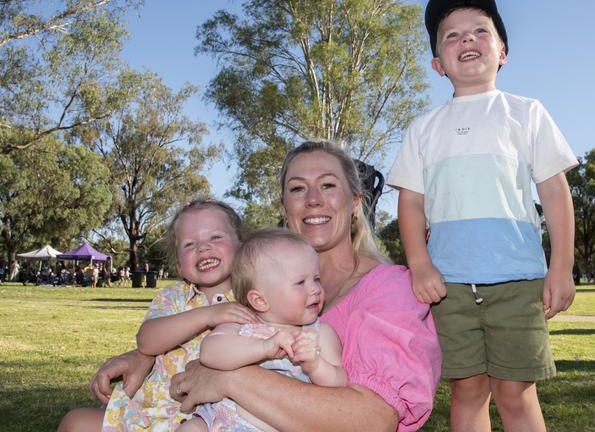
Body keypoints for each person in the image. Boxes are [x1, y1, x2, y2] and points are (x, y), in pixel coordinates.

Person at [78, 140, 441, 432]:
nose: (313, 199)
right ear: (286, 207)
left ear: (356, 203)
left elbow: (373, 421)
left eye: (328, 185)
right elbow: (207, 308)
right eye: (298, 189)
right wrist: (145, 355)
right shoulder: (262, 282)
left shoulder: (388, 290)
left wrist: (230, 378)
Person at [387, 0, 578, 432]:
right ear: (438, 64)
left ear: (502, 52)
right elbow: (411, 204)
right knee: (468, 390)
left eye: (479, 30)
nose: (466, 39)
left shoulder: (526, 113)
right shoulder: (424, 128)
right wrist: (419, 265)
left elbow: (554, 192)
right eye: (451, 35)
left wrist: (562, 266)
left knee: (515, 392)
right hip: (448, 285)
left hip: (518, 282)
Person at [58, 199, 259, 431]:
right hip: (149, 416)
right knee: (76, 422)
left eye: (215, 237)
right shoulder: (174, 296)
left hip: (213, 421)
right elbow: (146, 341)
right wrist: (208, 315)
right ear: (180, 266)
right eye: (189, 244)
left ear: (243, 246)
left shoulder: (256, 297)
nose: (203, 248)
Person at [179, 228, 347, 432]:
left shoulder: (320, 334)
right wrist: (263, 347)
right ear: (259, 300)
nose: (315, 289)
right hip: (221, 417)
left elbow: (340, 382)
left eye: (317, 279)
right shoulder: (243, 323)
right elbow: (210, 353)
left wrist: (316, 366)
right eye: (300, 282)